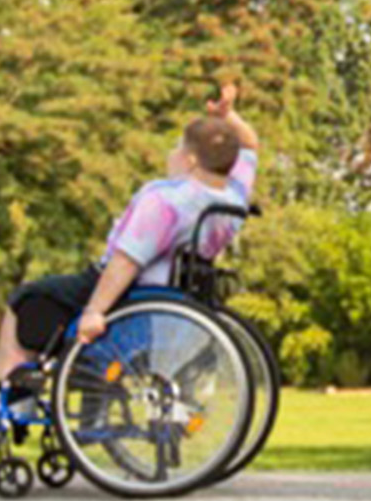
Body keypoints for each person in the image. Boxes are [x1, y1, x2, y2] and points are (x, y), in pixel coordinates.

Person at [67, 80, 260, 349]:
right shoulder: (234, 196)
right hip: (182, 294)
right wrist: (227, 118)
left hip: (133, 291)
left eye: (177, 146)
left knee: (28, 299)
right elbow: (249, 146)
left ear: (190, 160)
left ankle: (9, 387)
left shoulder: (166, 200)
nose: (172, 153)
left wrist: (94, 312)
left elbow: (127, 261)